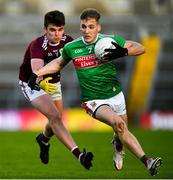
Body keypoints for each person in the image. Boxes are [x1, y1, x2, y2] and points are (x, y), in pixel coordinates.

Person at [28, 8, 162, 176]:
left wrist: (124, 51)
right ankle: (148, 161)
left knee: (121, 130)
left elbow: (140, 47)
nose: (86, 31)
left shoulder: (110, 40)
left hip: (115, 95)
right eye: (83, 26)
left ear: (98, 27)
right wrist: (37, 74)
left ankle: (118, 145)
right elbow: (57, 63)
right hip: (94, 101)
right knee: (119, 125)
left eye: (91, 27)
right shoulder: (72, 47)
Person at [19, 10, 93, 170]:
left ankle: (43, 139)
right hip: (32, 84)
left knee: (57, 119)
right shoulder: (37, 45)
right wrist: (41, 83)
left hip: (54, 83)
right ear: (45, 29)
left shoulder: (69, 42)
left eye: (60, 30)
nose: (57, 34)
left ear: (64, 29)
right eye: (52, 30)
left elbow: (84, 58)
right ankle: (79, 155)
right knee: (55, 117)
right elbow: (36, 73)